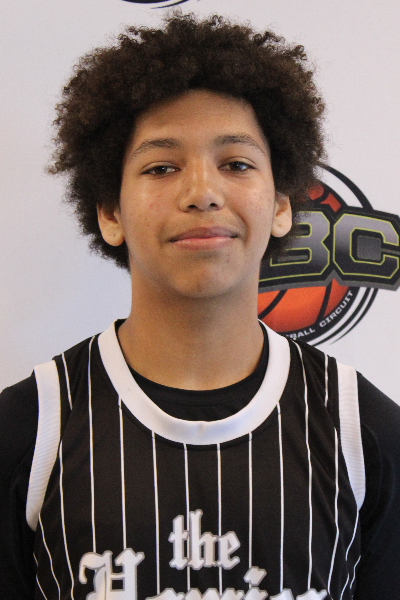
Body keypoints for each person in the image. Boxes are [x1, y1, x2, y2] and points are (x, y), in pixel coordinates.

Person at [1, 12, 399, 600]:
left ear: (282, 205)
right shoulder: (28, 433)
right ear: (109, 212)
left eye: (236, 163)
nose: (202, 192)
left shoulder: (365, 436)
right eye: (162, 167)